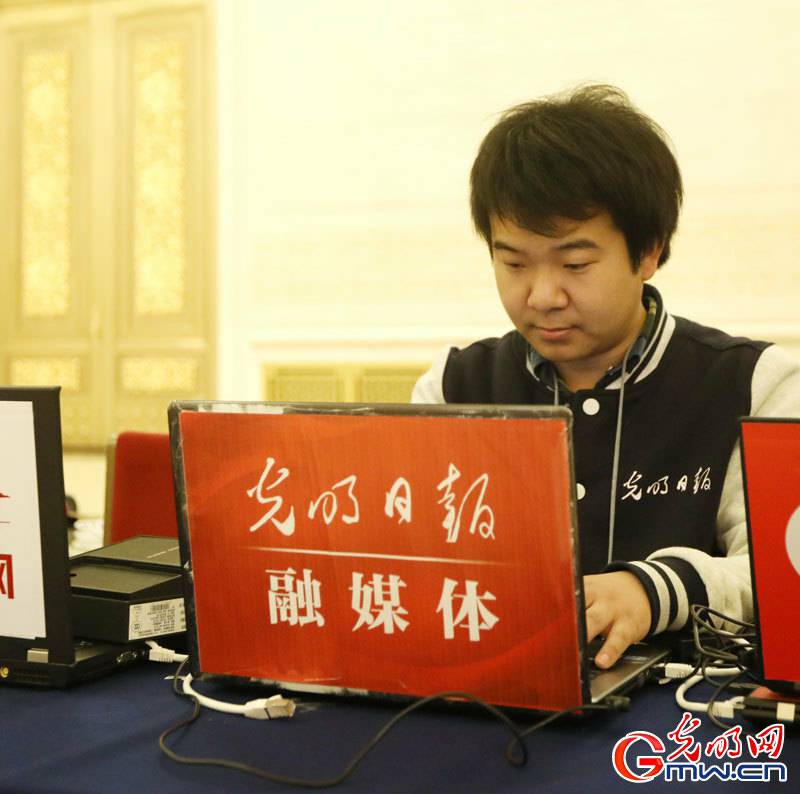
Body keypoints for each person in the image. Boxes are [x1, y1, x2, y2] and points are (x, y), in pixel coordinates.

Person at [412, 85, 800, 670]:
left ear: (649, 252)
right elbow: (411, 566)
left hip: (689, 707)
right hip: (495, 695)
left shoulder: (753, 384)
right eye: (514, 263)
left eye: (575, 264)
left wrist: (655, 591)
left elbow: (782, 571)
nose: (543, 296)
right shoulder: (453, 389)